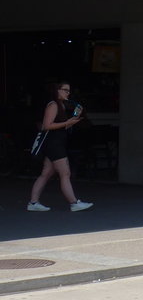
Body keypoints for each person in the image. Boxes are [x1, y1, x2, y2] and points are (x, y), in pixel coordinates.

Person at [27, 82, 93, 212]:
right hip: (54, 145)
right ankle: (74, 203)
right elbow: (47, 126)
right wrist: (67, 122)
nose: (68, 93)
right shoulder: (53, 105)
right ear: (57, 91)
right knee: (65, 173)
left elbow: (62, 127)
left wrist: (74, 118)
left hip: (55, 143)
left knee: (45, 174)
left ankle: (33, 202)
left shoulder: (60, 105)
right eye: (65, 90)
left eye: (69, 90)